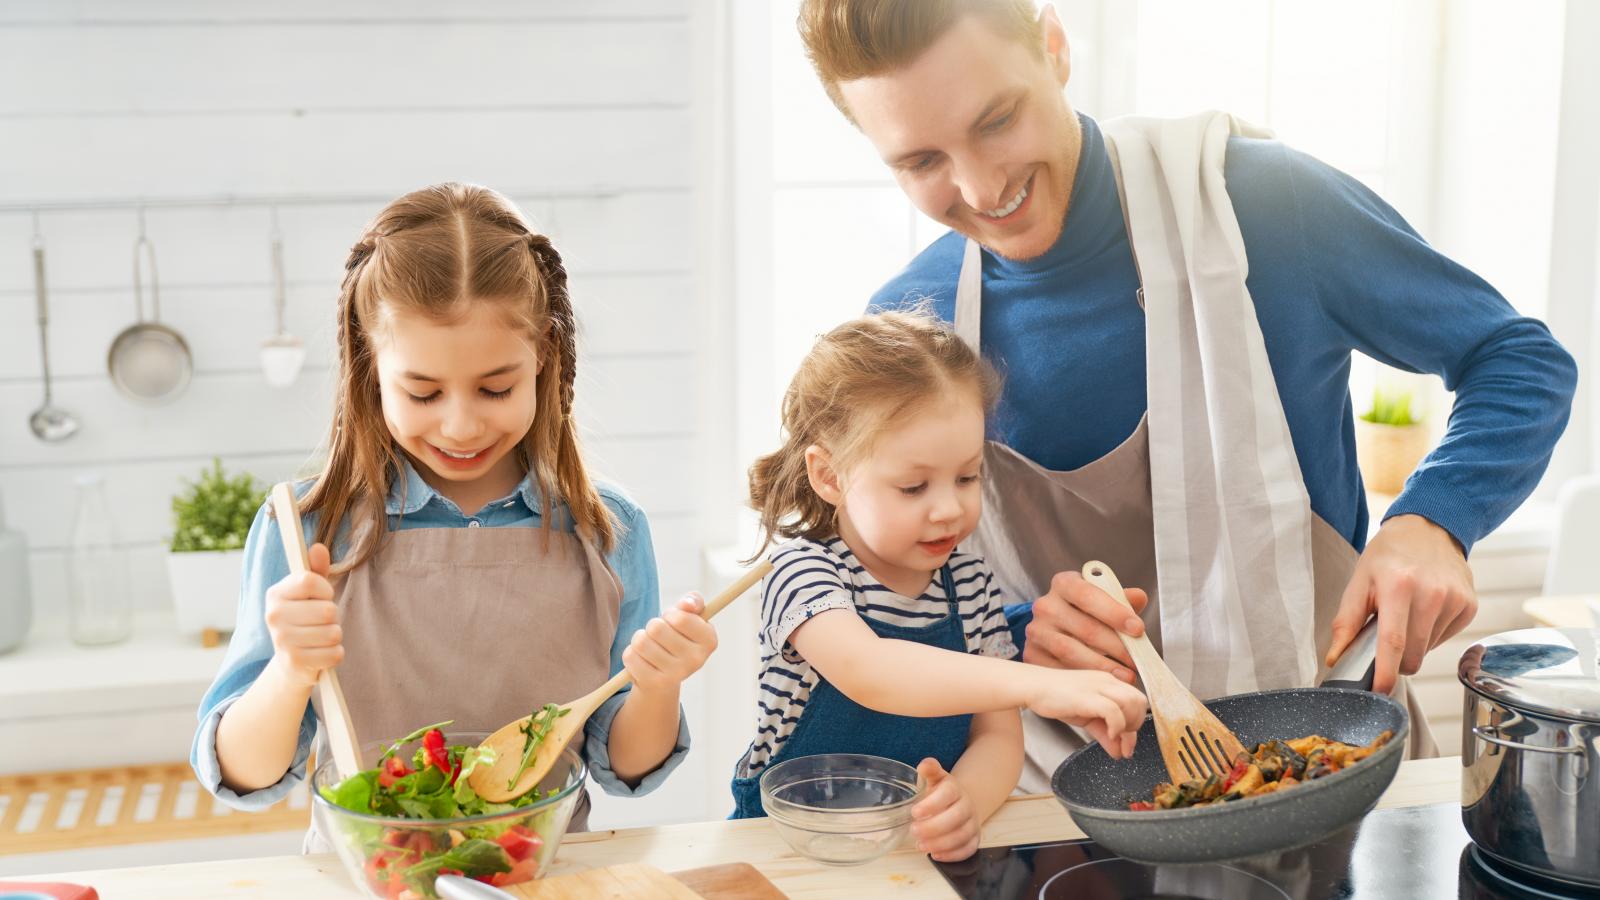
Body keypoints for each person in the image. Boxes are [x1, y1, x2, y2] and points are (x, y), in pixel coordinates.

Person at [797, 0, 1578, 789]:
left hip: (1327, 766)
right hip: (1058, 811)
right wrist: (1021, 632)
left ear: (1054, 48)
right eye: (922, 162)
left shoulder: (1265, 208)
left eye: (997, 119)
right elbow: (900, 618)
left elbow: (1517, 357)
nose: (980, 183)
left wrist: (1435, 517)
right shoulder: (914, 328)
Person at [191, 183, 713, 841]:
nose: (460, 425)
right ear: (369, 366)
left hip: (545, 879)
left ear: (544, 355)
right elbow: (246, 775)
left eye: (496, 387)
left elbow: (626, 765)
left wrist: (659, 685)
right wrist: (290, 669)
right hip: (370, 880)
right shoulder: (305, 530)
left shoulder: (607, 528)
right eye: (423, 391)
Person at [729, 309, 1147, 861]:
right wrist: (1038, 684)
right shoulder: (803, 573)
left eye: (968, 476)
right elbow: (871, 671)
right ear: (830, 476)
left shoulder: (969, 583)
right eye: (913, 486)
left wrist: (965, 804)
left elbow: (996, 738)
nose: (949, 508)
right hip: (787, 853)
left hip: (907, 856)